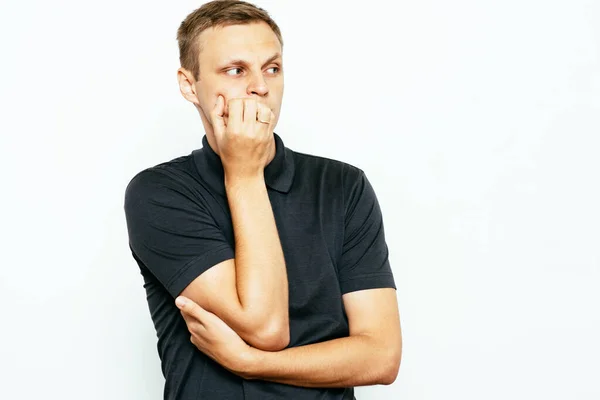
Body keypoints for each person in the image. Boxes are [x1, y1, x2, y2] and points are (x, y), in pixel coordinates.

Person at [123, 1, 402, 399]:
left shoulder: (343, 185)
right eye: (236, 71)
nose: (261, 87)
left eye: (271, 68)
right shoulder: (160, 192)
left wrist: (250, 363)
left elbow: (381, 356)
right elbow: (266, 327)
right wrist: (245, 172)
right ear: (189, 85)